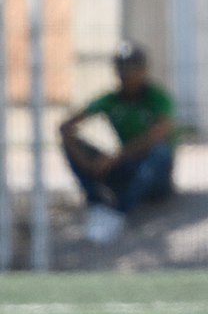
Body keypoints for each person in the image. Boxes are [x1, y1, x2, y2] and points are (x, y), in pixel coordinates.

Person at [60, 41, 178, 245]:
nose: (128, 74)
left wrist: (115, 158)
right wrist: (89, 164)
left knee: (159, 151)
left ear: (144, 70)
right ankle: (96, 202)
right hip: (124, 168)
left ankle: (118, 212)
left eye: (133, 68)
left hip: (155, 177)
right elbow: (66, 127)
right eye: (122, 68)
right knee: (74, 144)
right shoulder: (111, 100)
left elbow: (156, 135)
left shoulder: (157, 98)